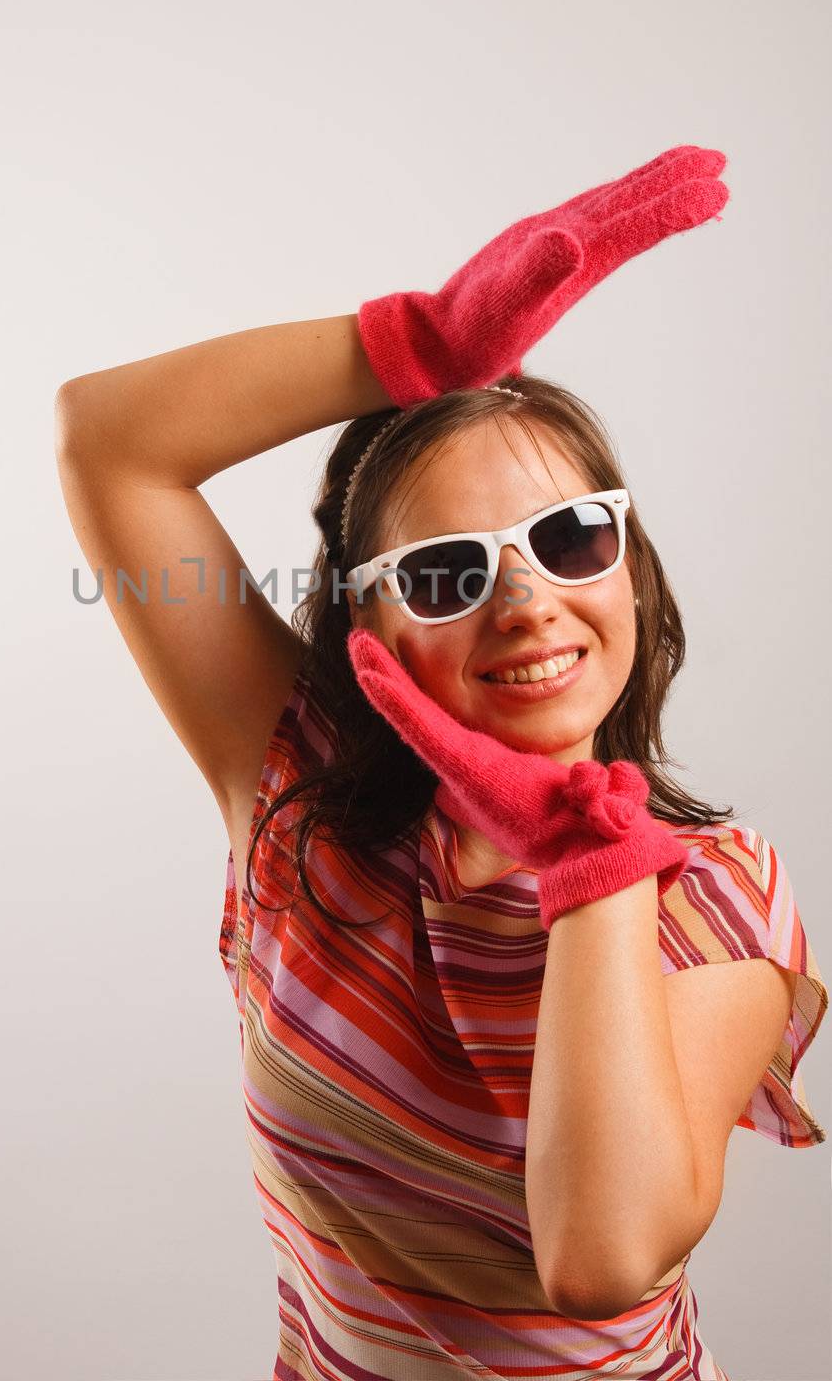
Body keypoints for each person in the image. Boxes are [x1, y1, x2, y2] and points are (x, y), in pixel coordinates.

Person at [53, 148, 827, 1379]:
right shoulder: (296, 808)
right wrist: (414, 342)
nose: (525, 601)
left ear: (627, 568)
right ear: (371, 633)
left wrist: (589, 859)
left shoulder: (711, 894)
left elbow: (601, 1255)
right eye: (447, 572)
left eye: (570, 538)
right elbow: (109, 443)